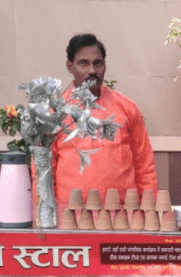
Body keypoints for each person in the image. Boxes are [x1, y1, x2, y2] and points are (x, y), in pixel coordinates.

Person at [54, 33, 158, 205]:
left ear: (105, 66)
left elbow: (144, 165)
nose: (92, 70)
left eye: (98, 63)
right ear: (70, 66)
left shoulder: (127, 107)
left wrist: (150, 209)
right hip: (70, 216)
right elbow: (43, 172)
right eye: (83, 63)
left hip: (123, 214)